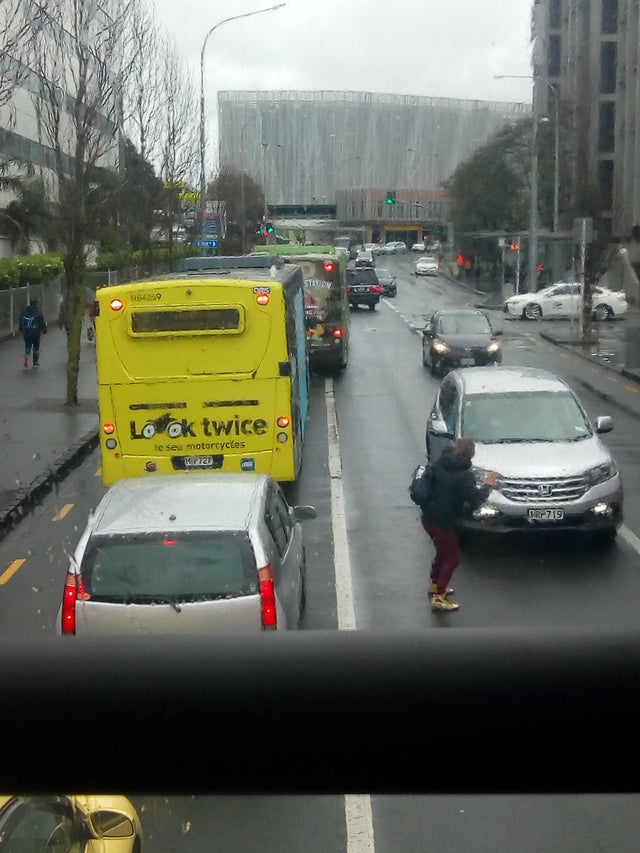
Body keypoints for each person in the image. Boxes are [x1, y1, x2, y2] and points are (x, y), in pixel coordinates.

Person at [420, 438, 498, 612]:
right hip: (442, 522)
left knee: (443, 552)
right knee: (452, 558)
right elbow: (475, 499)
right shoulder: (464, 475)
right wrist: (488, 485)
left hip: (428, 517)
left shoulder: (441, 462)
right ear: (471, 453)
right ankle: (439, 596)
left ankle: (435, 584)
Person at [19, 298, 48, 368]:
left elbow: (20, 321)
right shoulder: (38, 313)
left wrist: (21, 330)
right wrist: (44, 331)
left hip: (26, 333)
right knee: (36, 347)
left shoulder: (24, 312)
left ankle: (26, 360)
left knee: (27, 347)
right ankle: (35, 363)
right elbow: (42, 323)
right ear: (36, 304)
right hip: (36, 333)